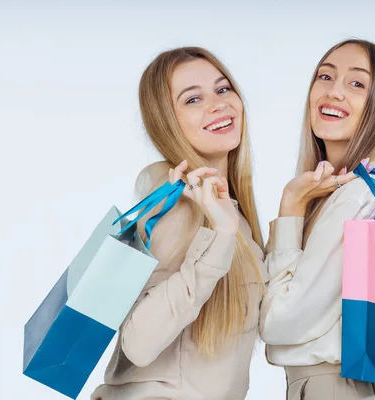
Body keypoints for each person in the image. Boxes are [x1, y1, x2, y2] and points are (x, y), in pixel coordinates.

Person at [92, 46, 268, 400]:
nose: (218, 104)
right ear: (166, 122)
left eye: (223, 89)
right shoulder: (178, 206)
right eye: (192, 100)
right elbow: (138, 345)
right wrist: (219, 236)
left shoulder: (231, 214)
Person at [259, 39, 375, 399]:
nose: (334, 92)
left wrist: (291, 207)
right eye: (325, 76)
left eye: (357, 84)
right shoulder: (372, 188)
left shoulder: (356, 196)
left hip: (333, 386)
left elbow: (279, 323)